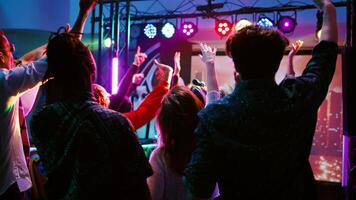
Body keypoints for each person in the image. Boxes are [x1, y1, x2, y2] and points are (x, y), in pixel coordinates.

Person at [184, 0, 338, 199]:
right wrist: (327, 9)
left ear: (236, 67)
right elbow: (323, 60)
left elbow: (197, 186)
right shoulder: (298, 98)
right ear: (276, 62)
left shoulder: (215, 117)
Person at [0, 0, 95, 198]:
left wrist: (64, 39)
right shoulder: (5, 82)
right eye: (11, 48)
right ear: (2, 56)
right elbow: (61, 58)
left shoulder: (8, 80)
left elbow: (30, 59)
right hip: (6, 186)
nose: (15, 53)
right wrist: (83, 14)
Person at [147, 44, 220, 200]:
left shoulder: (161, 157)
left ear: (165, 122)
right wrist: (209, 64)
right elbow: (214, 101)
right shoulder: (208, 147)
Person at [93, 59, 173, 130]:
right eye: (108, 95)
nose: (110, 95)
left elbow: (121, 98)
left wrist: (133, 84)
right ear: (103, 101)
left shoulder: (89, 123)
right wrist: (167, 75)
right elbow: (144, 112)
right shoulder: (116, 122)